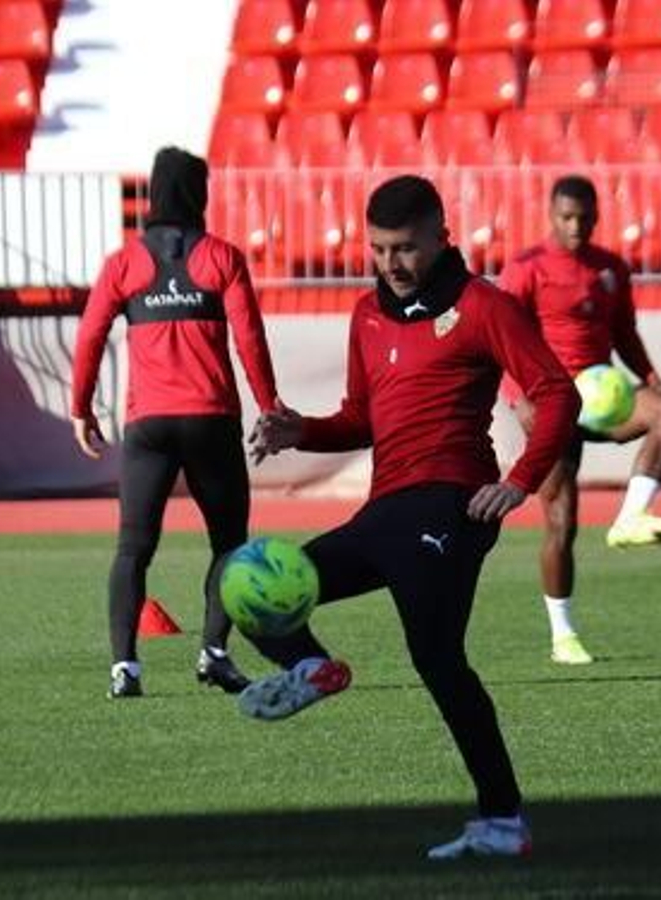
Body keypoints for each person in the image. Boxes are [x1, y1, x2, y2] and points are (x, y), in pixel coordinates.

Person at [247, 175, 579, 859]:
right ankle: (313, 669)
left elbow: (557, 395)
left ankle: (502, 822)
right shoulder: (366, 314)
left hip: (450, 504)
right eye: (378, 249)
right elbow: (362, 418)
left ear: (441, 237)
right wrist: (299, 430)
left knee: (436, 657)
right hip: (385, 513)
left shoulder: (482, 305)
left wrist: (518, 482)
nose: (391, 264)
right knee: (243, 583)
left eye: (405, 248)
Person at [70, 146, 282, 700]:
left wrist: (81, 407)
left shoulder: (124, 264)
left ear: (154, 195)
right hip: (211, 420)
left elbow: (90, 336)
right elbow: (249, 339)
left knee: (133, 549)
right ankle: (214, 653)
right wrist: (270, 406)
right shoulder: (222, 258)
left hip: (149, 427)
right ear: (199, 194)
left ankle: (125, 669)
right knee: (230, 544)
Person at [496, 175, 661, 665]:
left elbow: (624, 332)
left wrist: (651, 376)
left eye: (583, 216)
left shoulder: (611, 269)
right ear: (551, 214)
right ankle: (563, 634)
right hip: (550, 402)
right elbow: (499, 340)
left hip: (604, 399)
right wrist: (519, 401)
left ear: (597, 216)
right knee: (562, 523)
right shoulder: (525, 269)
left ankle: (631, 516)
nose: (575, 225)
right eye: (566, 216)